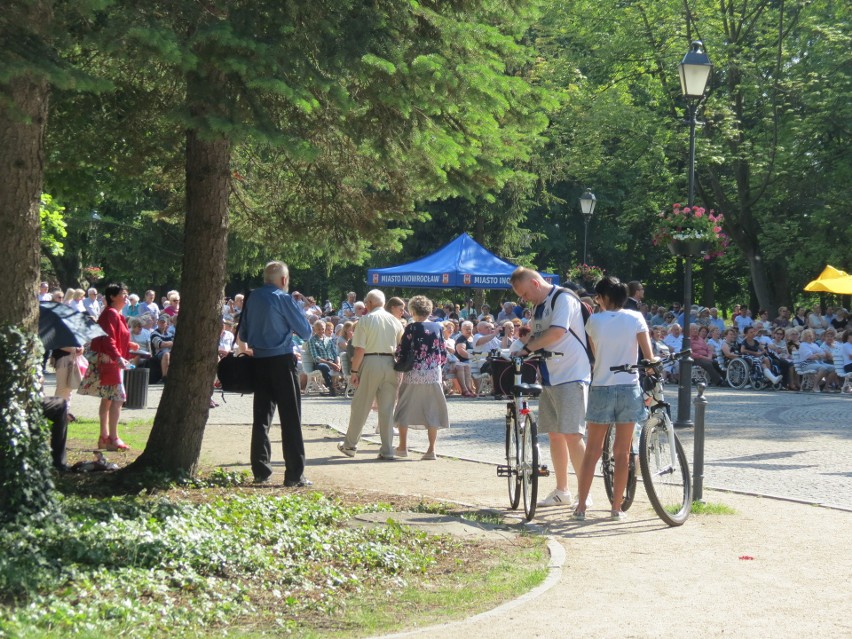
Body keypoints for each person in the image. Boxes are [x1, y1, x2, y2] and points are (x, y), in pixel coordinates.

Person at [573, 276, 655, 521]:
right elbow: (648, 356)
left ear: (603, 298)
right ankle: (616, 508)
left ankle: (581, 508)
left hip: (602, 386)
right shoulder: (636, 318)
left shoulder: (594, 321)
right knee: (623, 452)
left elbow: (596, 354)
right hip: (629, 387)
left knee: (593, 451)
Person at [509, 267, 590, 508]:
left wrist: (527, 349)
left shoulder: (563, 298)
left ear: (535, 283)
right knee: (555, 434)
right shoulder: (538, 306)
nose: (524, 299)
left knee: (573, 434)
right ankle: (562, 490)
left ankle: (584, 493)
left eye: (524, 293)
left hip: (572, 373)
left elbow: (557, 332)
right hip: (550, 375)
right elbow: (536, 335)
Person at [239, 261, 313, 486]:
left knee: (261, 419)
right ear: (283, 280)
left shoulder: (252, 299)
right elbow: (306, 332)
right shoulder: (283, 298)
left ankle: (261, 471)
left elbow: (243, 332)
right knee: (290, 418)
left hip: (259, 362)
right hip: (281, 361)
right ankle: (294, 475)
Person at [338, 289, 404, 460]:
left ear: (369, 303)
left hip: (370, 362)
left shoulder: (365, 320)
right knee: (387, 408)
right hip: (391, 364)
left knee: (361, 405)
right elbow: (400, 347)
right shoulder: (396, 322)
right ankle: (388, 449)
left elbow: (360, 349)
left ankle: (350, 445)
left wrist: (354, 371)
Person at [79, 283, 136, 451]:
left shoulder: (116, 315)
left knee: (108, 399)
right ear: (112, 297)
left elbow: (114, 337)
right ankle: (113, 438)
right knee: (118, 398)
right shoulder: (111, 313)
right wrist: (117, 356)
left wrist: (129, 345)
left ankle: (104, 437)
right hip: (109, 360)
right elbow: (107, 338)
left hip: (110, 359)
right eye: (123, 294)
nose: (126, 297)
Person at [394, 296, 449, 460]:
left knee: (404, 407)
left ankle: (403, 447)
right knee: (432, 409)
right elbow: (443, 352)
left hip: (413, 373)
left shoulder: (411, 328)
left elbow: (401, 351)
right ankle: (431, 450)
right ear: (430, 310)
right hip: (433, 374)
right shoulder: (438, 327)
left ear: (412, 311)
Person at [307, 319, 340, 396]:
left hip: (331, 362)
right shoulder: (312, 341)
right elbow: (316, 357)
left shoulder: (329, 340)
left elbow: (335, 354)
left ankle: (341, 386)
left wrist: (338, 363)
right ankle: (331, 388)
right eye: (318, 329)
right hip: (319, 364)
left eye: (322, 329)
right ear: (314, 329)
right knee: (325, 367)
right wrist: (330, 364)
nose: (321, 331)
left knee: (343, 366)